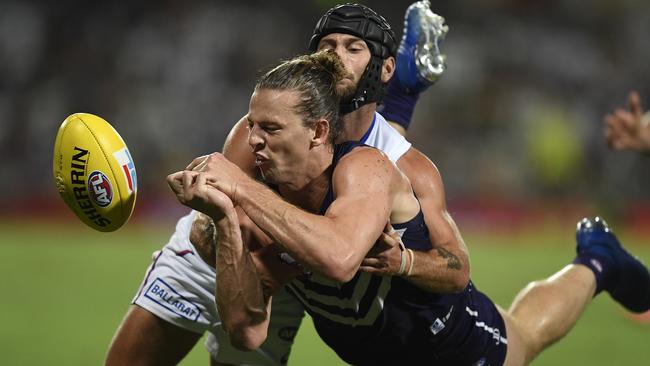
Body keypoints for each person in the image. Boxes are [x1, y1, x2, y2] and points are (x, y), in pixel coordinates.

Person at [169, 50, 650, 366]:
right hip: (377, 353)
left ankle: (597, 260)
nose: (253, 140)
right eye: (252, 125)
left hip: (445, 344)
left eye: (270, 129)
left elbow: (337, 257)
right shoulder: (270, 198)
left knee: (522, 338)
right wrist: (225, 219)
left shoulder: (362, 170)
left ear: (318, 132)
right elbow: (246, 330)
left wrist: (241, 191)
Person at [105, 2, 460, 366]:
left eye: (353, 48)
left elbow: (448, 268)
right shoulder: (259, 130)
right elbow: (224, 237)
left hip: (293, 280)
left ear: (381, 67)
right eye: (328, 46)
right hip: (234, 260)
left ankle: (403, 94)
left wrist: (401, 261)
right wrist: (223, 227)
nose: (337, 56)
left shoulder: (393, 163)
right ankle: (403, 94)